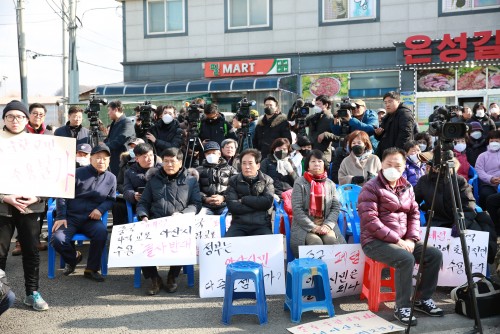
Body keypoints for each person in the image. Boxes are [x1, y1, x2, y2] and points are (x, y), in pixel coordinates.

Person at [358, 147, 443, 326]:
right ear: (381, 164)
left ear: (404, 167)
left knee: (434, 254)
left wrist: (412, 239)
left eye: (398, 165)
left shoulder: (407, 186)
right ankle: (402, 306)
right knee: (405, 259)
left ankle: (422, 298)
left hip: (404, 239)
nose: (393, 168)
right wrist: (397, 240)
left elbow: (414, 214)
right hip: (375, 241)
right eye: (389, 164)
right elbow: (370, 221)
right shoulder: (371, 187)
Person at [0, 100, 49, 311]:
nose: (15, 120)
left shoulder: (40, 144)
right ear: (3, 119)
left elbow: (52, 177)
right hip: (2, 206)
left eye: (19, 116)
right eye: (10, 116)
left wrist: (37, 197)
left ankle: (32, 292)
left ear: (27, 119)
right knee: (0, 252)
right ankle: (0, 293)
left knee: (31, 250)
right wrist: (4, 197)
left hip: (30, 207)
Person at [136, 148, 202, 295]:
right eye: (166, 161)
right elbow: (143, 203)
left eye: (172, 161)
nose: (169, 164)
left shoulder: (191, 181)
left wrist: (183, 214)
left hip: (179, 223)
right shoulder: (153, 180)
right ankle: (154, 278)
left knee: (182, 239)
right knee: (140, 240)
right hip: (155, 222)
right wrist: (143, 216)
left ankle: (172, 276)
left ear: (180, 162)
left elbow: (196, 204)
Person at [415, 156, 497, 264]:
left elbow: (469, 205)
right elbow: (414, 201)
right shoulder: (424, 181)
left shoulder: (459, 181)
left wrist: (461, 222)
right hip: (436, 221)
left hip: (461, 219)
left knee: (478, 242)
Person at [51, 144, 116, 282]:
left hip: (91, 219)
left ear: (109, 161)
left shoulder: (111, 178)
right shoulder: (77, 173)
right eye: (98, 158)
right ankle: (74, 257)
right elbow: (62, 195)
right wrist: (61, 216)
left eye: (105, 159)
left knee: (101, 233)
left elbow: (111, 199)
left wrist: (100, 209)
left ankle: (91, 269)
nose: (101, 161)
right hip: (71, 217)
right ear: (90, 158)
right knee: (57, 240)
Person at [290, 149, 346, 258]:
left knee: (332, 242)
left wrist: (328, 225)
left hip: (325, 225)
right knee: (316, 244)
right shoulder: (299, 182)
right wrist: (313, 227)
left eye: (320, 161)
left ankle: (332, 273)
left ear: (324, 164)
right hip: (305, 227)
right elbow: (297, 209)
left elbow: (335, 207)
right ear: (308, 165)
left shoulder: (330, 184)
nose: (317, 164)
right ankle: (315, 274)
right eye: (313, 161)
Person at [225, 149, 275, 237]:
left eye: (250, 163)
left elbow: (267, 202)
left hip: (261, 225)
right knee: (229, 245)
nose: (247, 167)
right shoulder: (233, 181)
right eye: (244, 163)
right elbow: (232, 206)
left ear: (258, 165)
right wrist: (258, 206)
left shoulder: (267, 180)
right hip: (239, 225)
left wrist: (244, 199)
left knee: (269, 246)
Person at [196, 141, 238, 215]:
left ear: (219, 154)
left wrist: (224, 197)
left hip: (225, 204)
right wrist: (205, 198)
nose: (211, 155)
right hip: (204, 206)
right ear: (205, 155)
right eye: (208, 153)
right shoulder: (198, 170)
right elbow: (194, 189)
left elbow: (237, 188)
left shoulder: (230, 170)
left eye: (214, 153)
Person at [375, 91, 415, 159]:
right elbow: (384, 136)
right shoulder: (389, 115)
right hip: (385, 153)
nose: (387, 104)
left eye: (390, 101)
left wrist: (395, 153)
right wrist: (378, 133)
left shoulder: (404, 114)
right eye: (385, 102)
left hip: (396, 155)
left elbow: (405, 135)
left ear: (398, 101)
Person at [104, 100, 136, 176]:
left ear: (116, 110)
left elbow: (122, 138)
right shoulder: (114, 123)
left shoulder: (127, 122)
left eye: (109, 110)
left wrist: (106, 146)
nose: (108, 113)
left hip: (123, 159)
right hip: (113, 158)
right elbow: (110, 138)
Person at [307, 95, 338, 163]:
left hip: (323, 156)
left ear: (326, 105)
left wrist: (325, 135)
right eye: (315, 104)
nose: (316, 106)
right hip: (311, 153)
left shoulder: (331, 118)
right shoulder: (313, 117)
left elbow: (338, 137)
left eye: (318, 104)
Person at [475, 130, 500, 208]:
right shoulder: (483, 156)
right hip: (488, 184)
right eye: (491, 141)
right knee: (486, 195)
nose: (494, 143)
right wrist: (490, 179)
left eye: (497, 141)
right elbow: (479, 170)